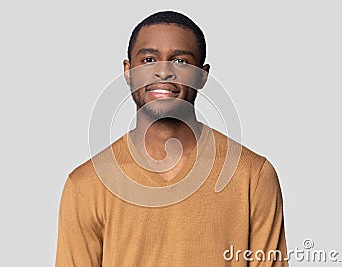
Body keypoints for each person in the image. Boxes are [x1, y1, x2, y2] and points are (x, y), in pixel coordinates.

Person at [55, 11, 288, 266]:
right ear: (128, 71)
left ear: (202, 75)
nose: (163, 71)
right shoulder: (87, 185)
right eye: (148, 59)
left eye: (180, 61)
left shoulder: (252, 176)